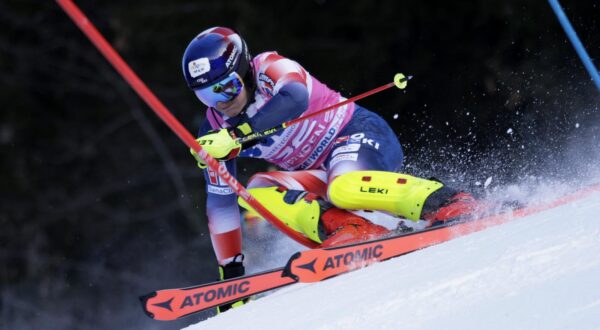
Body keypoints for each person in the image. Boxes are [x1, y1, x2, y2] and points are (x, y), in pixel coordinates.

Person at [182, 27, 480, 312]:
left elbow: (294, 99)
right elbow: (220, 202)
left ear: (245, 72)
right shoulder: (215, 129)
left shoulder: (270, 67)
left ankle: (448, 202)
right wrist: (231, 270)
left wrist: (238, 137)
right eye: (208, 96)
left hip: (359, 134)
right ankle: (352, 230)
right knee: (255, 192)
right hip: (320, 171)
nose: (223, 103)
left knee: (344, 187)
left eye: (227, 87)